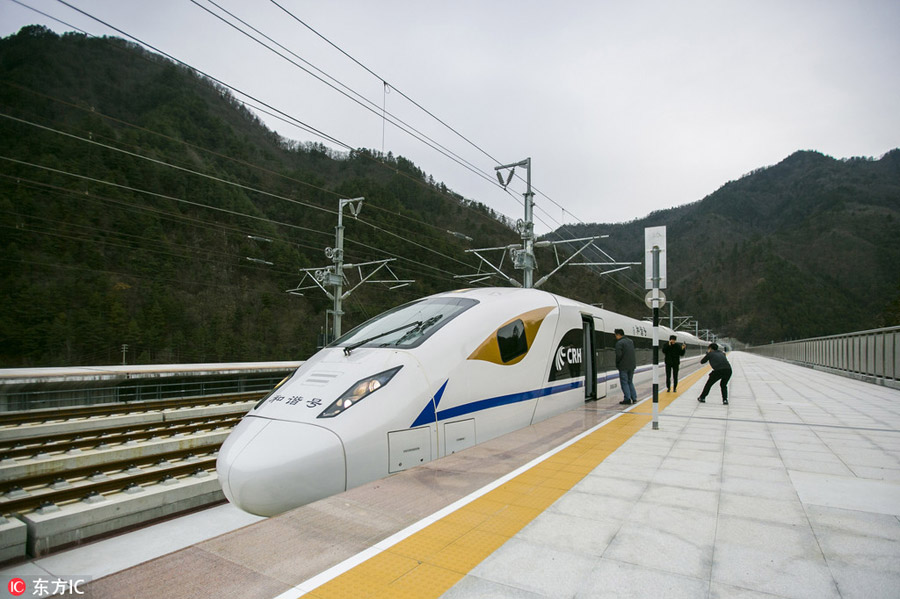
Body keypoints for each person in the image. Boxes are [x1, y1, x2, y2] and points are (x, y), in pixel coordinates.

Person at [614, 328, 637, 405]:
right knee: (630, 382)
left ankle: (627, 398)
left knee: (624, 382)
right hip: (632, 366)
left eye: (615, 335)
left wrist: (617, 364)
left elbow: (618, 355)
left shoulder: (619, 343)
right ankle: (634, 398)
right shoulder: (631, 341)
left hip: (623, 366)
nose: (615, 337)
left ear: (618, 335)